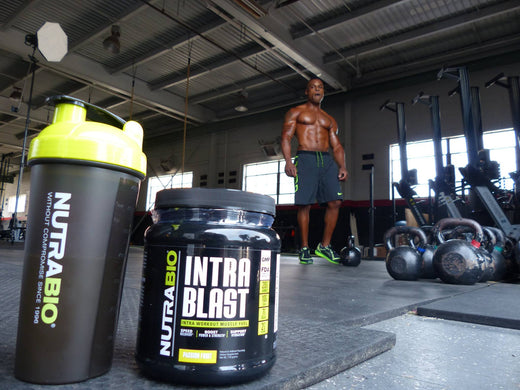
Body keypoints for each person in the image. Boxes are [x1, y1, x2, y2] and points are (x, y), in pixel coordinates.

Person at [281, 78, 348, 264]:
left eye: (320, 87)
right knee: (305, 204)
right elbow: (286, 138)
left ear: (323, 92)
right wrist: (288, 162)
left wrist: (342, 165)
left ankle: (324, 246)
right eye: (313, 87)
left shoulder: (330, 119)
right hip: (305, 158)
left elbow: (337, 146)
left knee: (335, 202)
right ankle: (304, 248)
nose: (317, 89)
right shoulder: (296, 112)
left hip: (326, 160)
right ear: (307, 91)